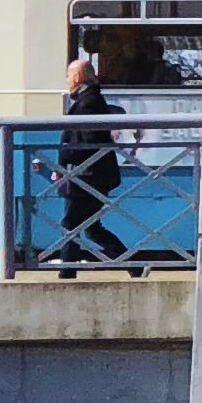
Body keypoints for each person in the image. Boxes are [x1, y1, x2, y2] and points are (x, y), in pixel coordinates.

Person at [48, 47, 129, 275]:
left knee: (71, 224)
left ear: (77, 77)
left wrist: (64, 165)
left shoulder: (88, 102)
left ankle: (68, 272)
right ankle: (133, 265)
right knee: (90, 227)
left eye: (68, 75)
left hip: (88, 176)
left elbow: (86, 140)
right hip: (88, 175)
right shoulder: (89, 99)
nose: (66, 80)